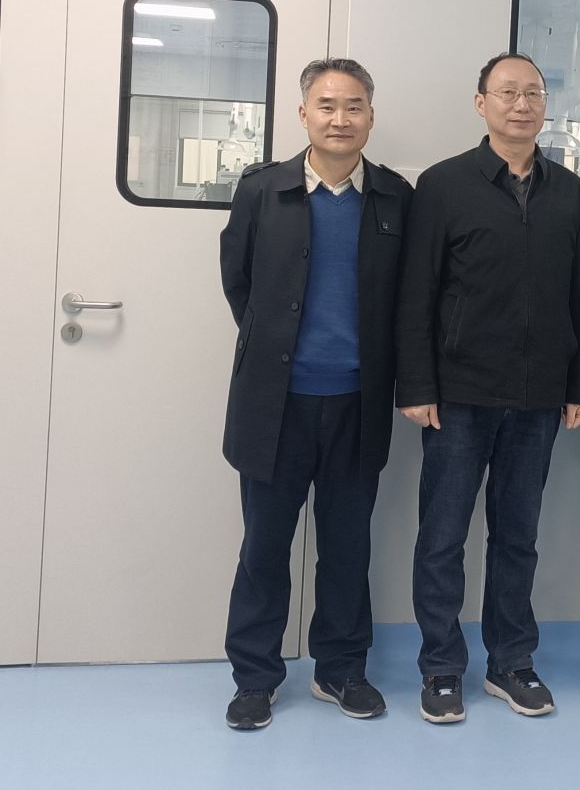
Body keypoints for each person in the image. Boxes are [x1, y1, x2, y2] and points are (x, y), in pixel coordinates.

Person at [395, 52, 580, 725]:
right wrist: (417, 383)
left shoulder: (570, 191)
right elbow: (416, 293)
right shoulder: (444, 184)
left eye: (533, 92)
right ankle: (441, 667)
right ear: (481, 103)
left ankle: (511, 661)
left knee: (518, 538)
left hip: (538, 398)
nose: (521, 104)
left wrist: (578, 383)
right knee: (442, 537)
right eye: (507, 92)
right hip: (457, 395)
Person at [219, 58, 413, 729]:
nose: (340, 118)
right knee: (264, 548)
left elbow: (405, 297)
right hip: (275, 405)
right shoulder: (261, 190)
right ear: (303, 114)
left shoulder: (394, 197)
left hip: (358, 403)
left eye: (353, 105)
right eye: (326, 105)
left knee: (347, 546)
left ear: (370, 116)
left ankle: (341, 669)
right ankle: (255, 677)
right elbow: (239, 283)